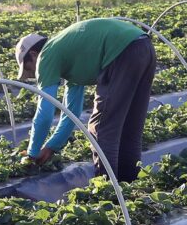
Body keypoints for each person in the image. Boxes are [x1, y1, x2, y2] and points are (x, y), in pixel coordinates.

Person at [15, 18, 156, 183]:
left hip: (121, 51)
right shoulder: (68, 54)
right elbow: (71, 113)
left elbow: (45, 113)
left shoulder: (46, 56)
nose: (32, 75)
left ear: (33, 55)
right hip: (143, 46)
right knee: (129, 127)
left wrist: (32, 154)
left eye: (29, 69)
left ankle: (108, 192)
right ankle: (129, 187)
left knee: (101, 129)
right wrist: (51, 146)